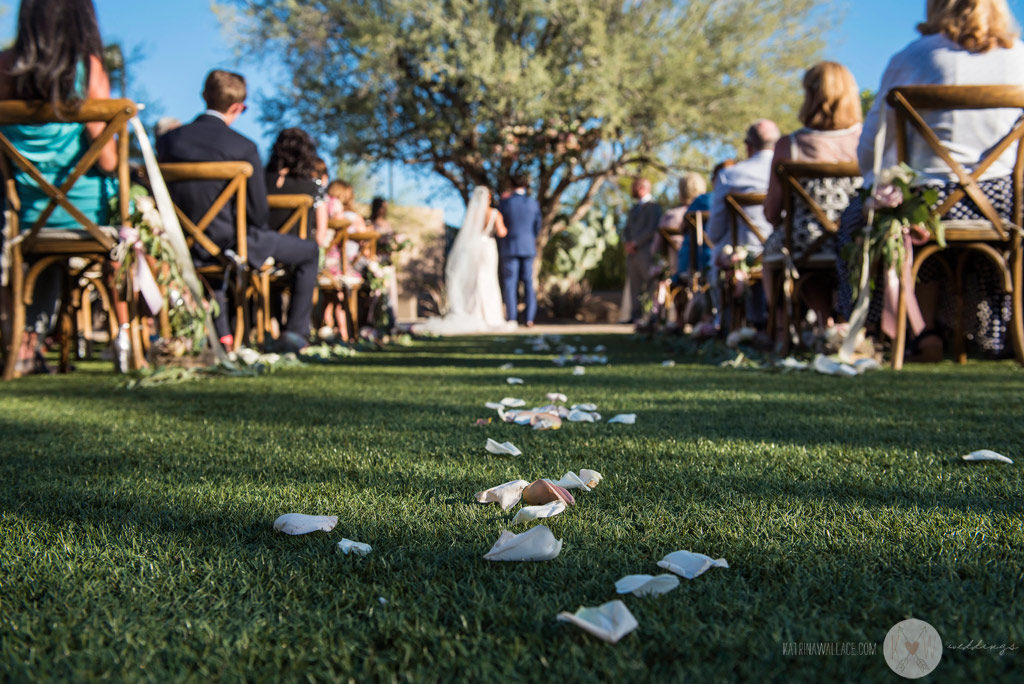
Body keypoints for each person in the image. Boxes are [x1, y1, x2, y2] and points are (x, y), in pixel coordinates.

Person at [837, 0, 1024, 360]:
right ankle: (974, 330)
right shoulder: (1020, 57)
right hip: (1004, 206)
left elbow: (873, 145)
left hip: (925, 203)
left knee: (855, 220)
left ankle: (883, 331)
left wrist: (883, 181)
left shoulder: (913, 56)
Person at [0, 0, 125, 374]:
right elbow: (108, 161)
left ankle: (23, 344)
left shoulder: (3, 67)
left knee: (38, 257)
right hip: (84, 215)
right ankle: (132, 338)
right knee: (130, 233)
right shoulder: (88, 70)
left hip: (22, 215)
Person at [159, 70, 319, 352]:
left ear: (204, 96)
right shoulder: (243, 147)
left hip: (180, 242)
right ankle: (294, 333)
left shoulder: (170, 142)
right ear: (237, 107)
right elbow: (257, 214)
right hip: (231, 242)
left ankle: (223, 335)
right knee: (309, 251)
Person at [762, 61, 863, 332]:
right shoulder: (867, 140)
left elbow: (771, 213)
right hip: (857, 235)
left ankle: (786, 329)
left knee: (775, 250)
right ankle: (840, 321)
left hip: (804, 240)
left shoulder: (789, 145)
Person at [706, 119, 781, 330]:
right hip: (785, 248)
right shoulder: (784, 169)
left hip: (743, 250)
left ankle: (726, 320)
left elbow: (715, 231)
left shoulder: (730, 175)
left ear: (748, 146)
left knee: (717, 253)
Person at [417, 186, 509, 334]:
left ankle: (474, 312)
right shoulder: (494, 213)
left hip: (474, 247)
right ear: (489, 198)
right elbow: (501, 232)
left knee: (476, 279)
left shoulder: (473, 215)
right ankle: (491, 316)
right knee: (488, 278)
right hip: (488, 248)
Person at [497, 172, 542, 326]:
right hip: (528, 246)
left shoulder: (505, 203)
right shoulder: (533, 203)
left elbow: (500, 226)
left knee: (510, 283)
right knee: (528, 282)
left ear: (511, 185)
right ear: (525, 185)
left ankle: (512, 318)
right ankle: (529, 319)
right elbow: (537, 227)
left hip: (510, 247)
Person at [621, 177, 663, 324]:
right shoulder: (633, 209)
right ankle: (635, 315)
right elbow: (626, 228)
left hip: (646, 251)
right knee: (634, 285)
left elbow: (653, 228)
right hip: (632, 253)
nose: (632, 190)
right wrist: (627, 243)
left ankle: (653, 315)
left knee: (651, 283)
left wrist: (636, 242)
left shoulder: (654, 207)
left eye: (634, 187)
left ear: (641, 187)